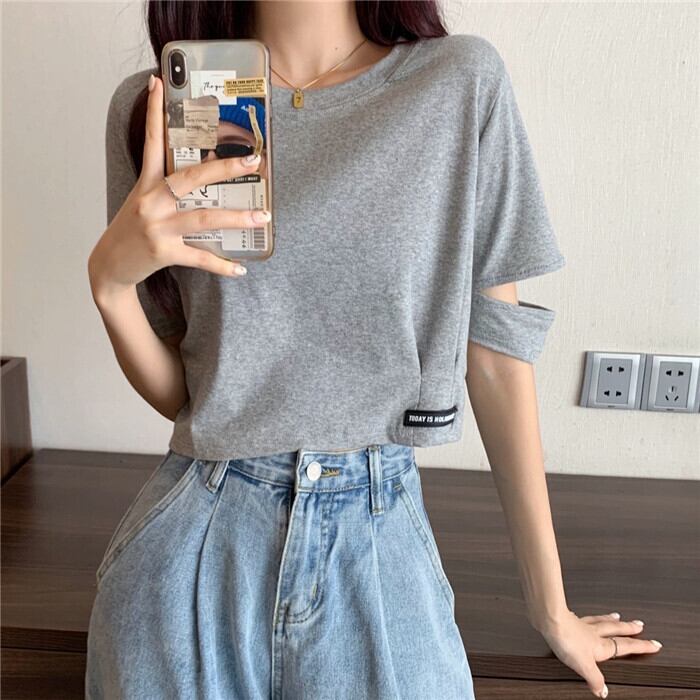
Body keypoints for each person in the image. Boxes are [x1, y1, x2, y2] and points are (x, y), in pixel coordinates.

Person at [85, 1, 663, 698]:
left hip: (378, 526)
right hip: (193, 547)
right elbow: (188, 394)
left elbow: (496, 354)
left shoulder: (456, 83)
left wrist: (551, 606)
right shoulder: (160, 106)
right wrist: (111, 287)